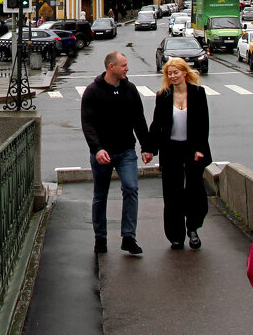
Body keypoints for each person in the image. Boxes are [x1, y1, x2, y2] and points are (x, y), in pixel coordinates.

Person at [81, 51, 154, 255]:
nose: (127, 68)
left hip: (126, 151)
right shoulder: (93, 91)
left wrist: (146, 147)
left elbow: (139, 119)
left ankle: (128, 237)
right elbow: (87, 123)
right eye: (123, 65)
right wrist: (96, 149)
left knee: (131, 189)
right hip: (102, 153)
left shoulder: (130, 90)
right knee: (100, 195)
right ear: (111, 67)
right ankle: (100, 238)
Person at [149, 57, 212, 250]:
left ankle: (193, 228)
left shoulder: (198, 93)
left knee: (195, 192)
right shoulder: (163, 96)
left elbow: (203, 124)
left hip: (192, 149)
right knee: (172, 193)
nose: (173, 76)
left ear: (185, 72)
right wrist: (149, 149)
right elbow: (157, 124)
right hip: (171, 150)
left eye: (176, 72)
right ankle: (176, 236)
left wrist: (200, 149)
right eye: (169, 73)